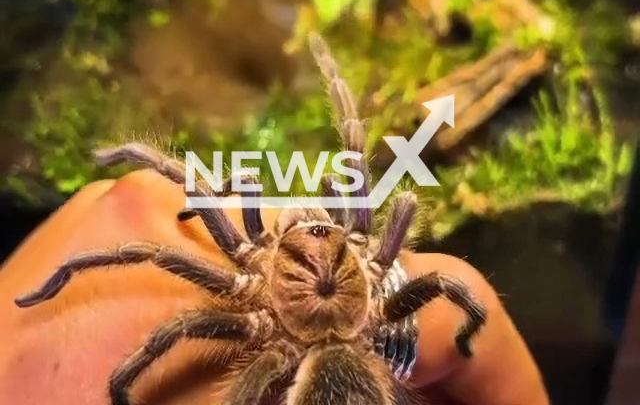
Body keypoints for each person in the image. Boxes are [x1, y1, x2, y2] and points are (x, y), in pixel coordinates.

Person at [0, 170, 550, 405]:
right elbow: (455, 287)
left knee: (170, 292)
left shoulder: (245, 297)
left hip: (292, 350)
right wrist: (470, 324)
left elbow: (170, 305)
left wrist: (122, 388)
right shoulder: (391, 291)